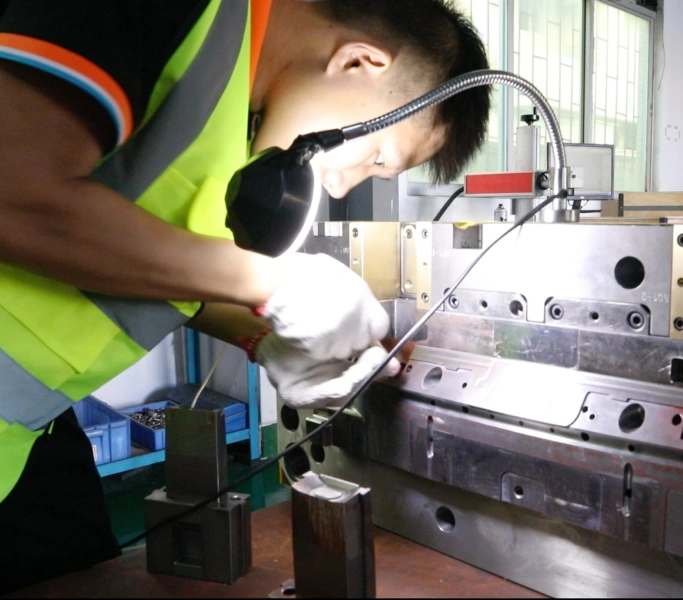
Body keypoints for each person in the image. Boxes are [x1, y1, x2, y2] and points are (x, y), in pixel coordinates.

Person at [0, 0, 490, 592]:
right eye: (376, 159)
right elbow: (16, 196)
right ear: (358, 61)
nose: (340, 185)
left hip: (29, 430)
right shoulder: (184, 17)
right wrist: (270, 284)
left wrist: (267, 336)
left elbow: (138, 265)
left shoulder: (240, 115)